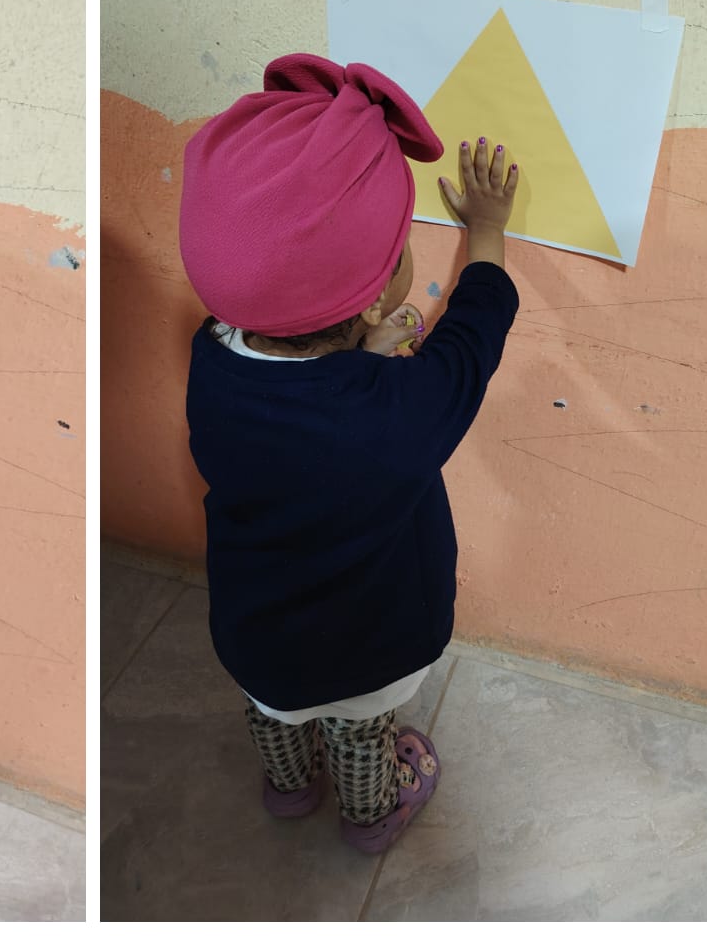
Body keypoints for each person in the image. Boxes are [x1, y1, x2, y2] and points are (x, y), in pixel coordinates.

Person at [178, 53, 521, 853]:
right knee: (361, 732)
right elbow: (475, 332)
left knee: (274, 713)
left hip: (255, 636)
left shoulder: (212, 360)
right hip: (374, 646)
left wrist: (360, 353)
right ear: (373, 298)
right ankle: (372, 816)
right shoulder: (402, 408)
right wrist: (487, 228)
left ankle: (288, 787)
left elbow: (297, 407)